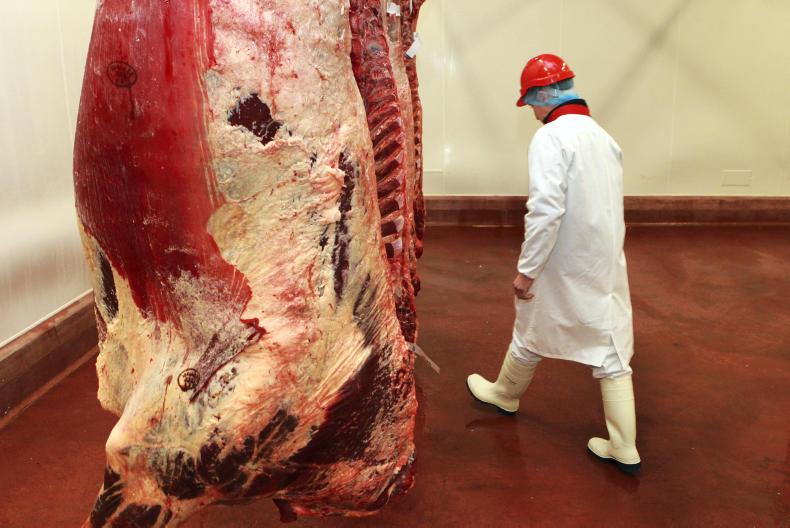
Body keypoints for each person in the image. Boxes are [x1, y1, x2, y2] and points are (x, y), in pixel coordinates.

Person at [466, 53, 641, 475]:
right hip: (603, 257)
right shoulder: (602, 136)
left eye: (531, 100)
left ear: (544, 94)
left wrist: (528, 269)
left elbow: (545, 208)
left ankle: (506, 394)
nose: (531, 110)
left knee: (531, 319)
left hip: (561, 256)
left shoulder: (551, 137)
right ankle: (623, 445)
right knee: (610, 347)